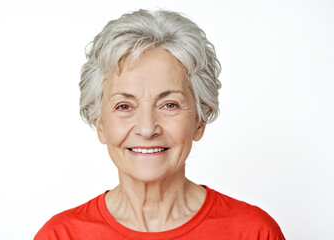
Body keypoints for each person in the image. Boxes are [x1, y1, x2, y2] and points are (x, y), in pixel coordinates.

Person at [34, 9, 285, 240]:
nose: (147, 128)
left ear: (200, 119)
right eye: (124, 106)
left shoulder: (254, 232)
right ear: (99, 123)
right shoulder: (60, 235)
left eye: (169, 105)